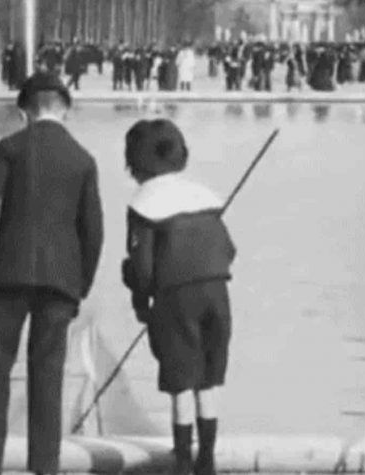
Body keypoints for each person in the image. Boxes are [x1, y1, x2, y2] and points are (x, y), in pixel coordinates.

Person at [0, 71, 104, 475]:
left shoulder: (10, 147)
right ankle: (45, 467)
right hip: (60, 282)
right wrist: (81, 283)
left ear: (23, 111)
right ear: (67, 111)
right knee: (48, 376)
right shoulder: (83, 159)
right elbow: (93, 230)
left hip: (5, 275)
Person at [121, 119, 236, 475]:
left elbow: (142, 269)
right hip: (218, 295)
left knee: (181, 383)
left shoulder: (143, 206)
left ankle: (183, 460)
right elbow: (229, 250)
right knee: (209, 380)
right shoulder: (205, 199)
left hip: (175, 300)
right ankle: (208, 459)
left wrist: (141, 303)